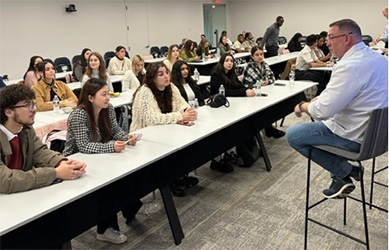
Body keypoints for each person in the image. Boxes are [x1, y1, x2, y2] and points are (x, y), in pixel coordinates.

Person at [286, 19, 388, 199]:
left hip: (355, 138)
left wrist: (304, 105)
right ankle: (343, 174)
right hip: (381, 137)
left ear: (347, 38)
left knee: (294, 134)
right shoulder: (381, 60)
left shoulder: (349, 67)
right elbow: (360, 96)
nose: (327, 43)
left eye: (331, 38)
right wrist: (325, 99)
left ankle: (344, 172)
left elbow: (322, 112)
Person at [63, 78, 155, 244]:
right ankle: (105, 229)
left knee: (123, 172)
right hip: (77, 160)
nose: (107, 98)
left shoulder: (108, 109)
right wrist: (111, 147)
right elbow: (83, 146)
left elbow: (116, 130)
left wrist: (128, 137)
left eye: (108, 94)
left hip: (99, 156)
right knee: (109, 185)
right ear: (90, 97)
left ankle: (132, 207)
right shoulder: (79, 114)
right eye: (103, 94)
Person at [0, 83, 87, 194]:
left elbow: (40, 152)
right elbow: (5, 180)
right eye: (27, 105)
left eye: (34, 104)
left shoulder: (26, 129)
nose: (34, 109)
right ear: (8, 112)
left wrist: (62, 163)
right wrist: (55, 173)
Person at [130, 62, 197, 132]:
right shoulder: (145, 92)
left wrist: (186, 110)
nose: (166, 76)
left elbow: (181, 104)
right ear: (153, 79)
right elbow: (152, 120)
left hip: (166, 129)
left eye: (167, 72)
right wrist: (180, 116)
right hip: (144, 133)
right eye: (161, 74)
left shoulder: (171, 87)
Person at [242, 46, 285, 138]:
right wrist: (265, 81)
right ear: (252, 56)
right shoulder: (248, 66)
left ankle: (268, 128)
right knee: (264, 109)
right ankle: (268, 128)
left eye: (261, 54)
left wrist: (268, 81)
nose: (260, 57)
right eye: (257, 55)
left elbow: (272, 77)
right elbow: (257, 81)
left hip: (263, 92)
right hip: (251, 95)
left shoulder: (264, 64)